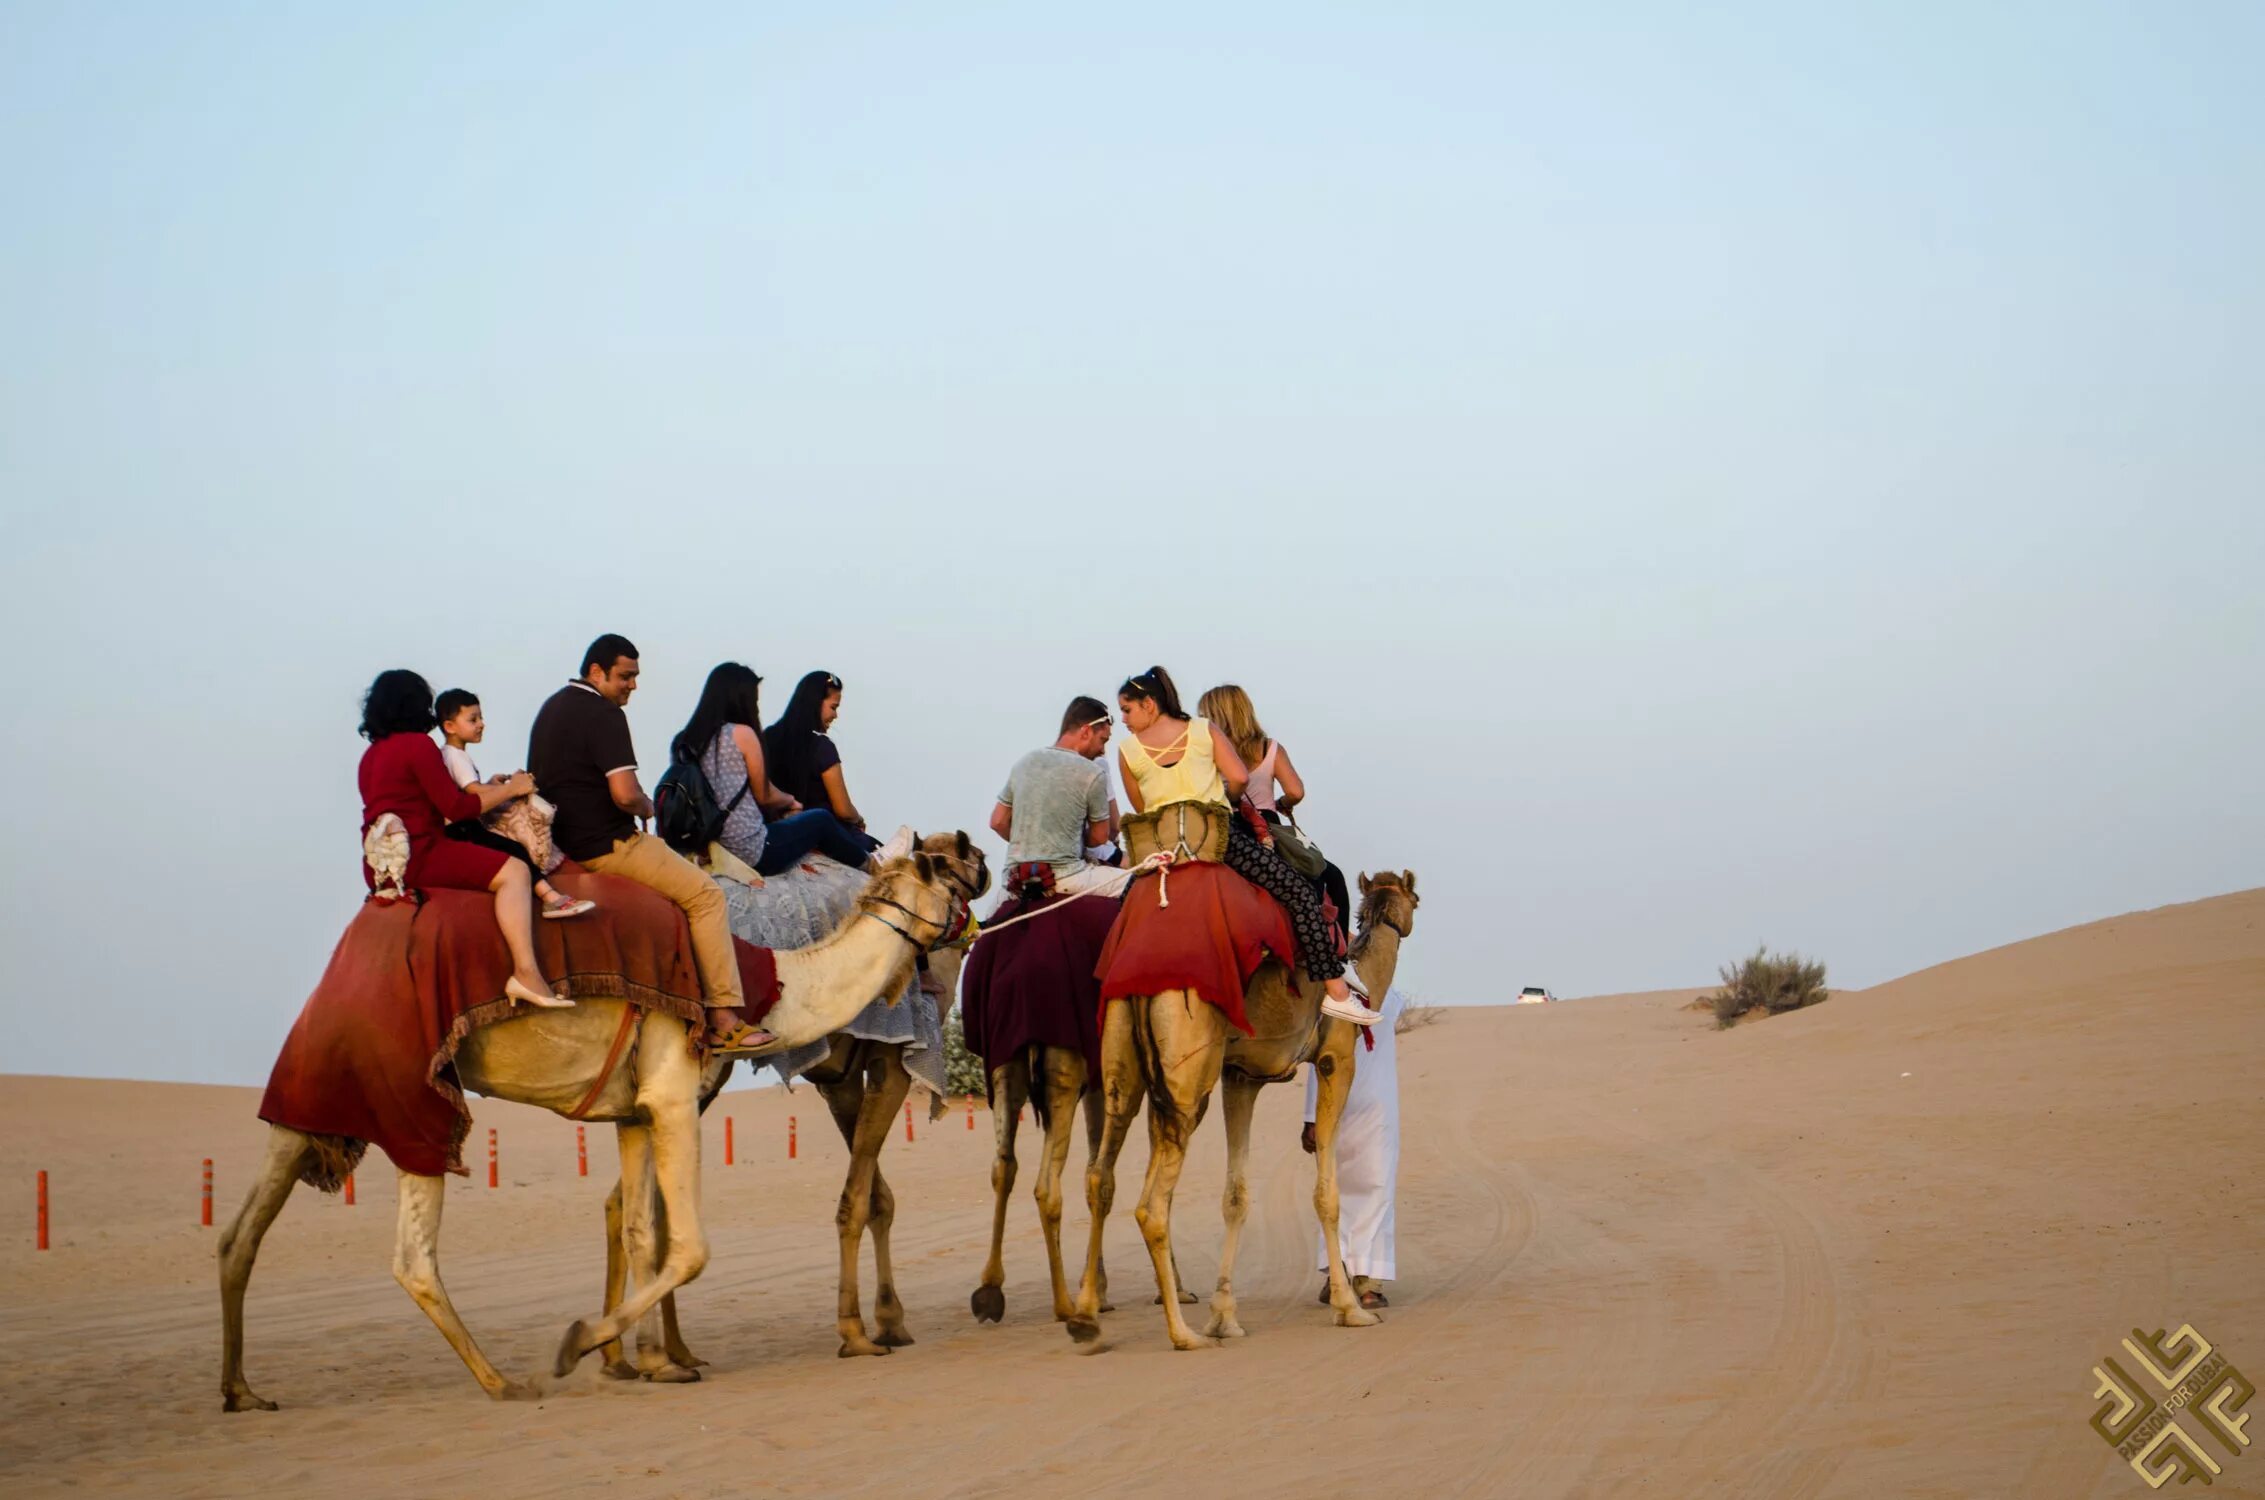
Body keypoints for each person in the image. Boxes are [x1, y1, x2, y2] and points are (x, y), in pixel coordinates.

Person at [527, 635, 764, 1050]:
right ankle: (724, 1017)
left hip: (564, 843)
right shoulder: (604, 714)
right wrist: (647, 806)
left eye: (635, 677)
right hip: (607, 844)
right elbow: (623, 792)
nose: (632, 686)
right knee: (706, 896)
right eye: (625, 676)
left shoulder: (552, 707)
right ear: (596, 672)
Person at [1116, 666, 1380, 1026]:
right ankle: (1337, 991)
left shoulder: (1128, 750)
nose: (1124, 720)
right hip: (1219, 839)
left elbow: (1140, 807)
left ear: (1148, 704)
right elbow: (1240, 777)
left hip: (1164, 847)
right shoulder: (1200, 730)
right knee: (1301, 893)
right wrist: (1225, 800)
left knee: (1118, 915)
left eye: (1127, 711)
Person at [357, 669, 568, 1009]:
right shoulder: (418, 745)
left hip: (380, 868)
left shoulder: (370, 757)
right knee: (515, 871)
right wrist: (512, 789)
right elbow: (456, 807)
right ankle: (527, 973)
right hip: (423, 854)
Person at [672, 662, 880, 878]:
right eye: (754, 699)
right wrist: (791, 802)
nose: (756, 707)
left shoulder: (684, 741)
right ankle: (873, 868)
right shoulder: (743, 735)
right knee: (821, 819)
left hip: (702, 841)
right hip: (746, 846)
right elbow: (764, 794)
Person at [1196, 683, 1351, 941]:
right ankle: (1338, 957)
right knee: (1329, 877)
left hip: (1224, 831)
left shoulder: (1209, 754)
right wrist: (1283, 803)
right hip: (1268, 831)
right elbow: (1296, 791)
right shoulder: (1269, 749)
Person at [435, 688, 594, 919]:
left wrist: (493, 784)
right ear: (450, 726)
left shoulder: (451, 755)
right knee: (516, 849)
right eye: (473, 719)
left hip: (461, 828)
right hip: (464, 829)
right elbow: (474, 792)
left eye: (480, 718)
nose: (481, 724)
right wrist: (511, 789)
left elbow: (470, 789)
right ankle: (551, 898)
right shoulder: (455, 756)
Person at [1303, 985, 1407, 1308]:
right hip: (1333, 1105)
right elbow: (1317, 1059)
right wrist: (1310, 1116)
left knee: (1376, 1188)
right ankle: (1337, 1272)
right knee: (1334, 1188)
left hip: (1377, 1108)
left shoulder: (1389, 994)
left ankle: (1368, 1281)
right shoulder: (1328, 997)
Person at [989, 695, 1131, 898]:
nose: (1102, 750)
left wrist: (1031, 842)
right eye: (1103, 740)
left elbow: (997, 821)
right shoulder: (1092, 773)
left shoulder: (1025, 762)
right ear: (1086, 731)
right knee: (1136, 885)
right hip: (1066, 876)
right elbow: (1100, 837)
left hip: (1014, 878)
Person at [762, 670, 881, 853]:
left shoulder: (768, 736)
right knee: (884, 850)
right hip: (824, 834)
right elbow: (842, 809)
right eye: (834, 707)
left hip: (781, 831)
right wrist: (858, 818)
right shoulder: (821, 746)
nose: (835, 716)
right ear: (816, 703)